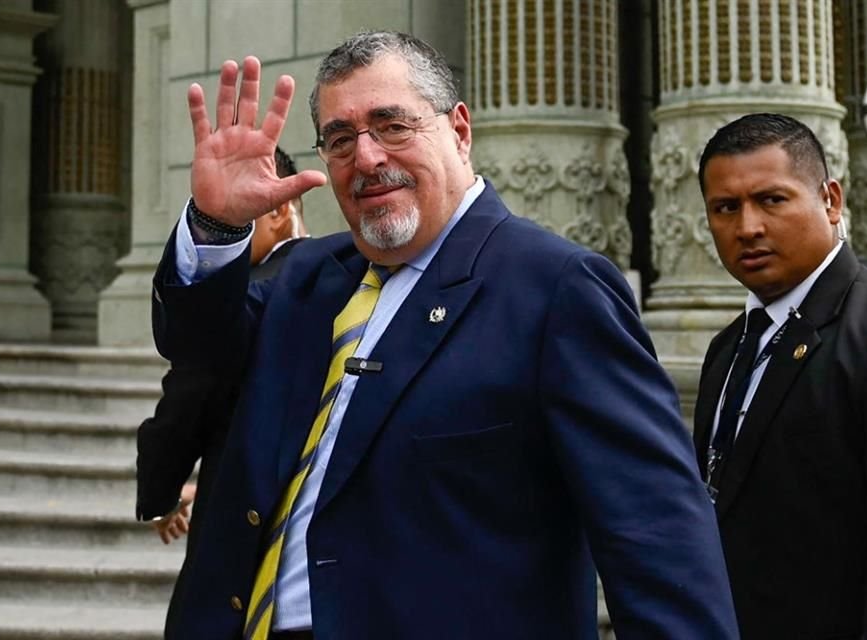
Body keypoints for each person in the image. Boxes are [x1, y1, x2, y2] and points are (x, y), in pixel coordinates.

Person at [152, 31, 737, 640]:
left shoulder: (555, 288)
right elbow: (195, 347)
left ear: (459, 130)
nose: (368, 157)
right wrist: (216, 224)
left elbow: (655, 531)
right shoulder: (305, 280)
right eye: (341, 139)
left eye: (392, 125)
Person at [694, 112, 867, 639]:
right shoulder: (726, 348)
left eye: (771, 200)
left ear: (831, 200)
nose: (747, 227)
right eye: (725, 208)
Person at [136, 146, 309, 546]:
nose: (223, 227)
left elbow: (187, 399)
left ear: (279, 211)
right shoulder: (354, 278)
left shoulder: (249, 295)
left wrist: (162, 495)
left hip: (249, 528)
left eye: (234, 211)